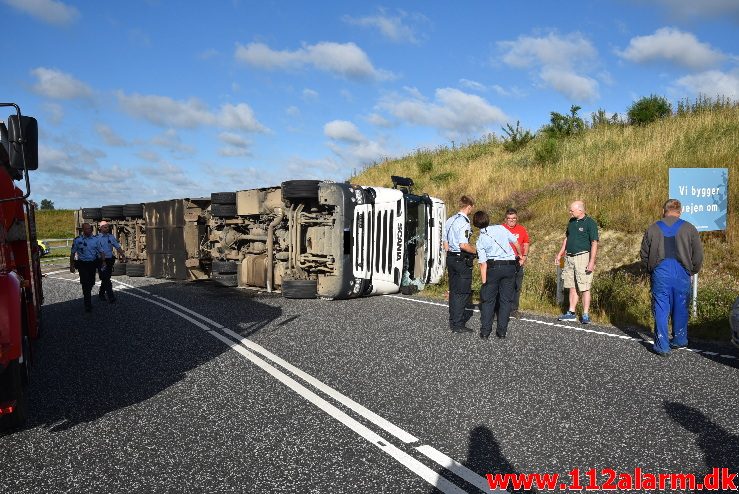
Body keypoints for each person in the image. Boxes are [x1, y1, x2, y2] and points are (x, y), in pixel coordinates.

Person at [640, 199, 703, 356]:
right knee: (681, 306)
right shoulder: (689, 228)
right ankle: (680, 339)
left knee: (661, 308)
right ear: (680, 212)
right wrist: (693, 270)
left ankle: (662, 345)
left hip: (660, 273)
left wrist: (650, 269)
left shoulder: (653, 228)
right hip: (682, 272)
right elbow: (698, 255)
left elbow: (644, 254)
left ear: (664, 211)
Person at [474, 210, 522, 339]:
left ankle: (485, 331)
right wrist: (521, 256)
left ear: (476, 224)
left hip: (493, 268)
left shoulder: (480, 240)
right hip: (509, 266)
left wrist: (484, 282)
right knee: (506, 300)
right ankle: (501, 331)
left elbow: (483, 264)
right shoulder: (501, 228)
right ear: (488, 219)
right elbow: (516, 242)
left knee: (488, 301)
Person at [554, 200, 599, 324]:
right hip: (569, 257)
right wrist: (560, 254)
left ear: (580, 210)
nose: (569, 212)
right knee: (571, 285)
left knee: (584, 286)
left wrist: (591, 261)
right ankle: (571, 312)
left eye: (571, 210)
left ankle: (585, 314)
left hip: (583, 257)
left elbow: (594, 243)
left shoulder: (590, 223)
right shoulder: (571, 222)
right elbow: (566, 239)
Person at [443, 195, 476, 333]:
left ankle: (453, 320)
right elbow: (463, 245)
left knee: (454, 290)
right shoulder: (464, 222)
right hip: (461, 260)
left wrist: (451, 254)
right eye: (472, 207)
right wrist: (476, 251)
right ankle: (458, 324)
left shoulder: (450, 220)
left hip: (450, 258)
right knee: (462, 293)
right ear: (469, 206)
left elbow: (445, 243)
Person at [501, 208, 530, 319]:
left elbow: (526, 243)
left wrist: (524, 257)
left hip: (517, 261)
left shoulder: (521, 229)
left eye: (513, 218)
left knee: (516, 286)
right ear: (506, 219)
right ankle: (500, 309)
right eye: (509, 219)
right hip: (504, 261)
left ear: (516, 218)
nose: (511, 221)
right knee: (503, 286)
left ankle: (514, 309)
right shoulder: (501, 229)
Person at [70, 222, 104, 312]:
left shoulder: (95, 240)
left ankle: (87, 293)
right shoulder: (77, 240)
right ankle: (87, 304)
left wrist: (103, 262)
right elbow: (72, 253)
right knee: (85, 284)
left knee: (91, 282)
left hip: (92, 264)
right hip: (82, 264)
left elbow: (101, 251)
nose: (88, 230)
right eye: (86, 229)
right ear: (83, 230)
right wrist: (71, 265)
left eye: (89, 229)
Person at [97, 220, 126, 303]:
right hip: (101, 261)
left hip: (109, 260)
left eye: (108, 227)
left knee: (106, 278)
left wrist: (123, 255)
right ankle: (111, 297)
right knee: (106, 279)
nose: (107, 229)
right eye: (105, 227)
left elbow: (117, 247)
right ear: (101, 228)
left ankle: (101, 294)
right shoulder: (97, 238)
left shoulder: (111, 237)